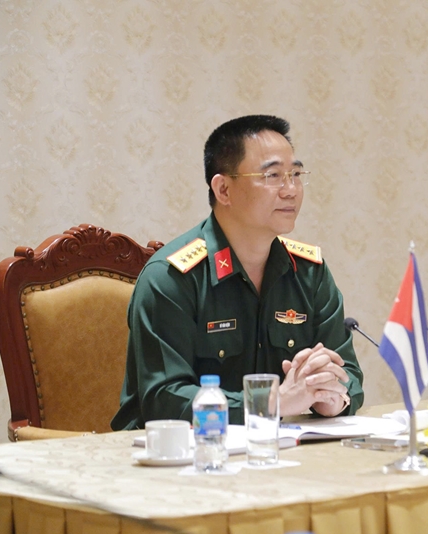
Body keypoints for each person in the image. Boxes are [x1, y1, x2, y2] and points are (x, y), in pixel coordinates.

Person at [111, 115, 363, 430]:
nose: (291, 190)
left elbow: (349, 373)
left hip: (279, 451)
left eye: (296, 174)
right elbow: (165, 400)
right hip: (179, 455)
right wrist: (271, 403)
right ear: (224, 190)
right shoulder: (172, 278)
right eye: (272, 175)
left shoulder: (309, 273)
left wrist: (332, 397)